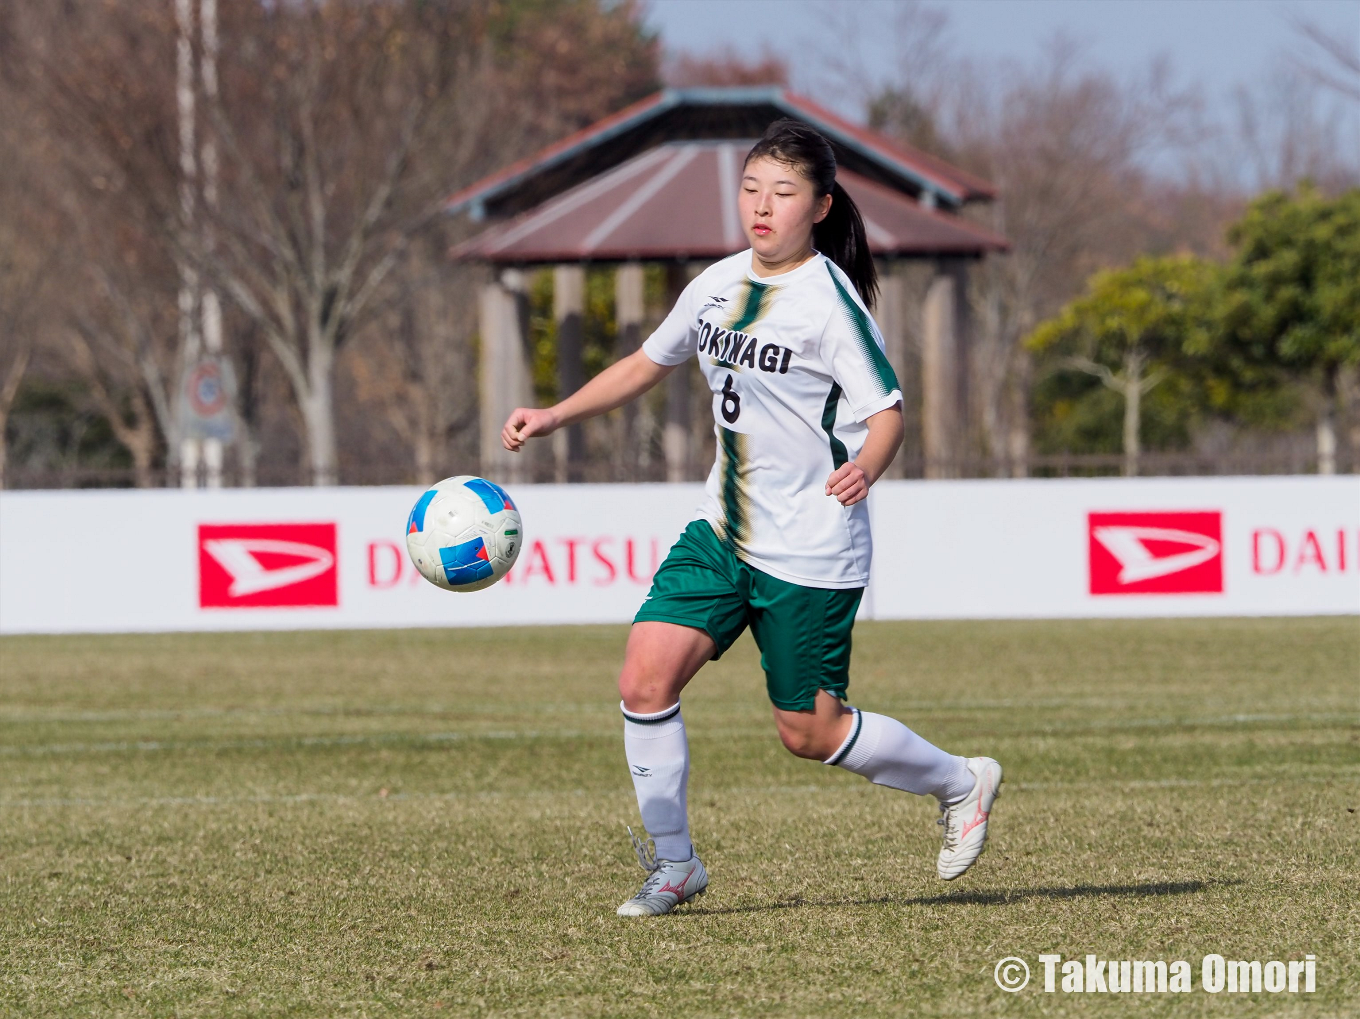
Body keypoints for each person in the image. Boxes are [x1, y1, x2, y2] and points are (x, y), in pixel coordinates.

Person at [501, 119, 1002, 918]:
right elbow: (646, 361)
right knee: (643, 676)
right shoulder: (715, 284)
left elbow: (888, 412)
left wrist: (865, 468)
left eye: (783, 192)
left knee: (809, 731)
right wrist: (556, 413)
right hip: (722, 529)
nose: (761, 206)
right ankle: (674, 865)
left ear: (820, 206)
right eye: (751, 187)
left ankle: (959, 780)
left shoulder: (831, 303)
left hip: (809, 546)